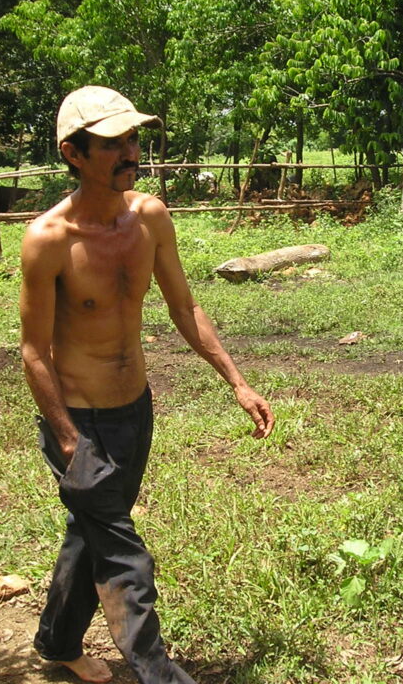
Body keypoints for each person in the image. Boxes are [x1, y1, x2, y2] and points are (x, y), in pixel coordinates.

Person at [19, 85, 275, 684]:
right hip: (79, 422)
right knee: (125, 558)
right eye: (113, 143)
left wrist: (237, 382)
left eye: (133, 138)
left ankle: (57, 642)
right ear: (74, 153)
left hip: (135, 411)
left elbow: (185, 307)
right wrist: (67, 440)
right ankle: (158, 673)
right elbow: (33, 352)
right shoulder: (49, 240)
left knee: (93, 534)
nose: (130, 152)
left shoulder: (150, 218)